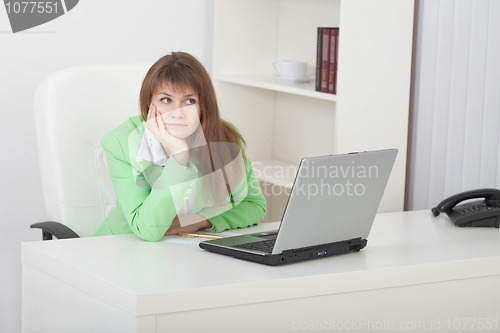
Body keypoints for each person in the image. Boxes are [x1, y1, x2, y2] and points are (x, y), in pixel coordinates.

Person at [93, 52, 266, 241]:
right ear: (150, 103)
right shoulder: (121, 142)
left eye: (189, 101)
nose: (177, 113)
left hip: (187, 250)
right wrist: (179, 158)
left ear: (203, 106)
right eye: (166, 100)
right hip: (119, 248)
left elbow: (254, 205)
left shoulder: (225, 137)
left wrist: (198, 220)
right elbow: (147, 230)